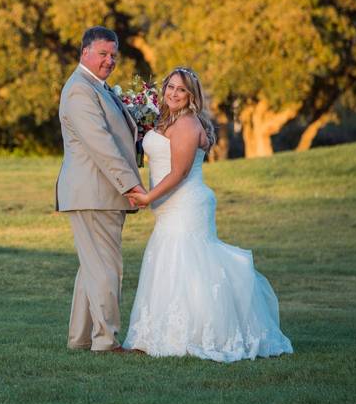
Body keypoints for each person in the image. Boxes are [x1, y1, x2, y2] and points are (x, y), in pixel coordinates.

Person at [123, 67, 294, 362]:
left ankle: (198, 334)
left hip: (187, 203)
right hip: (168, 206)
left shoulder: (187, 123)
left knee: (186, 263)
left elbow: (180, 172)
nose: (174, 93)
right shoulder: (164, 119)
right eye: (170, 87)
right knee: (168, 261)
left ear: (192, 96)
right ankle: (155, 334)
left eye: (181, 90)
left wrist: (147, 197)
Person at [56, 26, 145, 353]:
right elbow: (102, 145)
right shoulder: (80, 90)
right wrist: (132, 186)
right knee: (107, 269)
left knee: (92, 270)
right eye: (103, 54)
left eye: (113, 56)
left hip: (99, 193)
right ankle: (106, 342)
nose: (109, 61)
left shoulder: (98, 87)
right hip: (95, 193)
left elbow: (116, 135)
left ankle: (80, 340)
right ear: (85, 53)